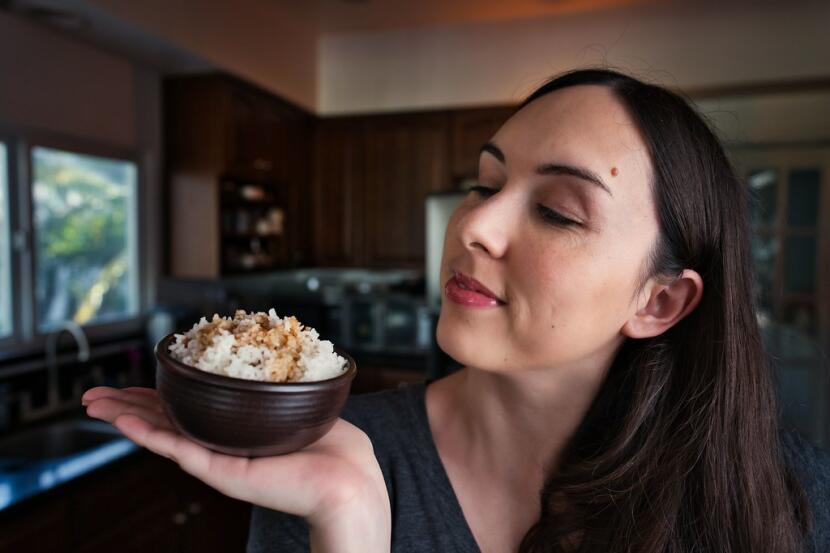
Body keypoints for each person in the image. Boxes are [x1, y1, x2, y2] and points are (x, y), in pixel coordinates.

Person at [83, 68, 830, 553]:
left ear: (659, 300)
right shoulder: (333, 463)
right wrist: (349, 526)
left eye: (560, 212)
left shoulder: (790, 501)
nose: (473, 225)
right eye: (483, 183)